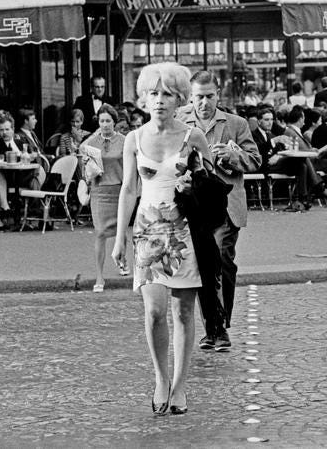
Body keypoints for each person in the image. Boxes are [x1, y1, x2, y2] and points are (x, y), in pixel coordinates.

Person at [112, 62, 211, 416]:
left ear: (180, 98)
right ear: (143, 98)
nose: (159, 100)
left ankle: (181, 386)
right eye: (153, 93)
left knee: (183, 310)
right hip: (148, 230)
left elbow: (209, 184)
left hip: (185, 232)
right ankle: (160, 378)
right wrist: (120, 237)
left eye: (167, 94)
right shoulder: (133, 139)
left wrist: (193, 182)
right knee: (154, 311)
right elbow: (128, 190)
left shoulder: (192, 137)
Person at [179, 70, 261, 352]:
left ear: (218, 95)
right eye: (199, 97)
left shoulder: (236, 124)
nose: (204, 103)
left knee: (222, 261)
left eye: (210, 96)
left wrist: (233, 156)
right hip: (194, 206)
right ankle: (212, 328)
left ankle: (219, 328)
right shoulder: (179, 122)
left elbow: (256, 160)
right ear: (191, 97)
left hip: (225, 206)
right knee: (202, 267)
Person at [80, 104, 126, 291]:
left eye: (108, 121)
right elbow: (82, 149)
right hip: (99, 190)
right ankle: (99, 276)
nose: (105, 124)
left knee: (121, 231)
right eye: (101, 121)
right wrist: (94, 135)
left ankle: (123, 262)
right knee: (100, 233)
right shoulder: (93, 142)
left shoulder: (124, 140)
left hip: (119, 190)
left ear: (114, 122)